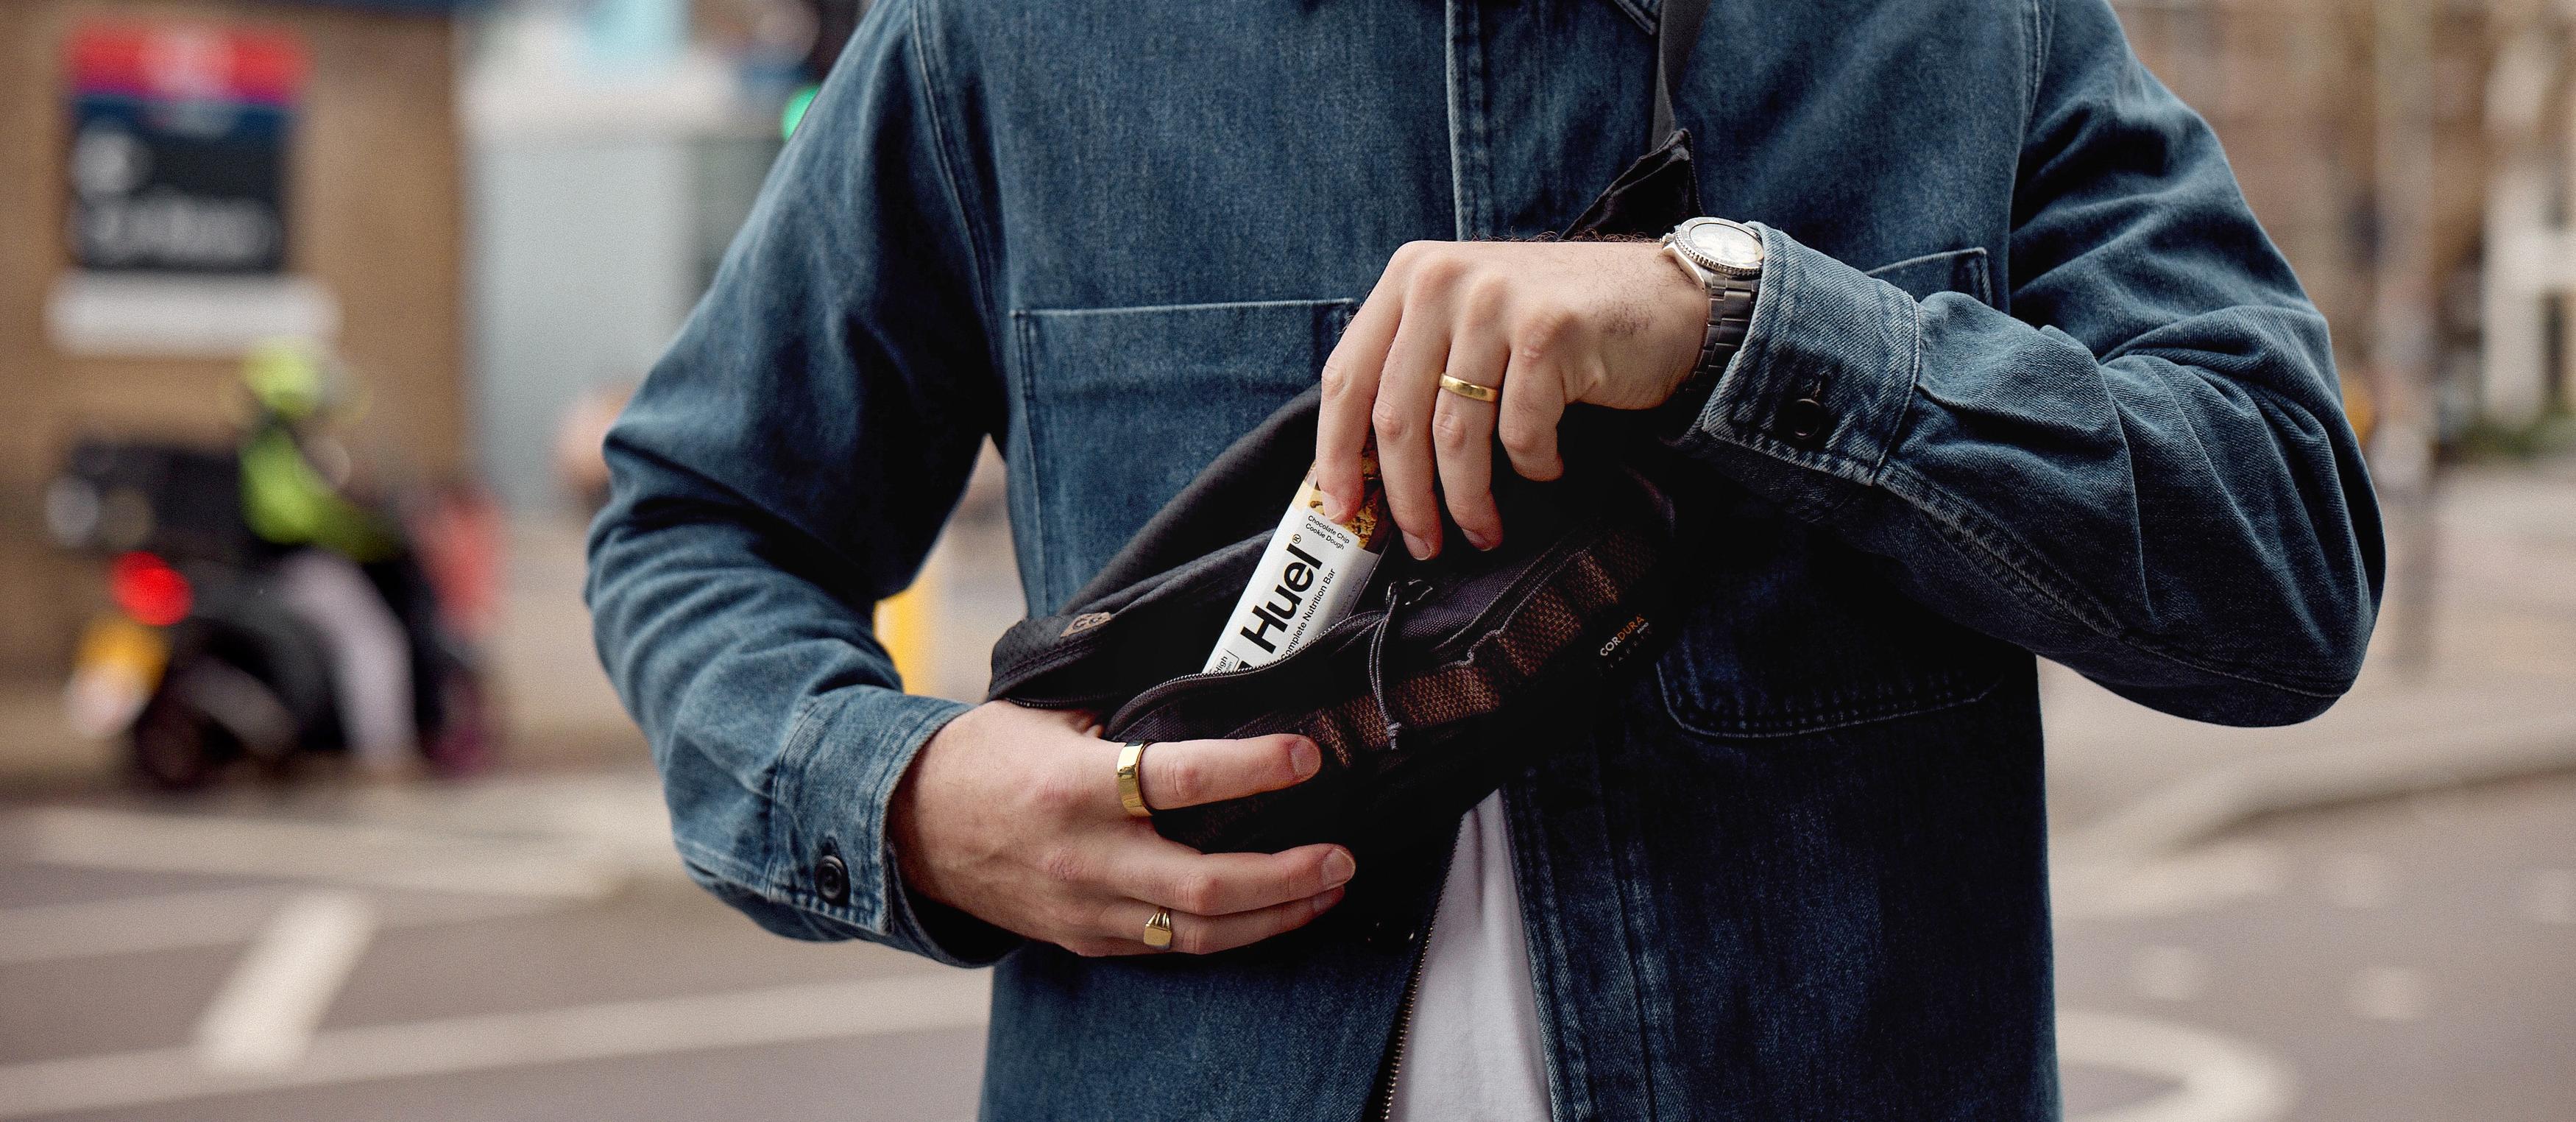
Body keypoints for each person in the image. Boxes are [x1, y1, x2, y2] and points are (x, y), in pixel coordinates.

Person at [586, 0, 2383, 1116]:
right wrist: (901, 798)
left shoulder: (1958, 26)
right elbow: (698, 520)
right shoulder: (1017, 35)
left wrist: (1753, 325)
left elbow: (2285, 555)